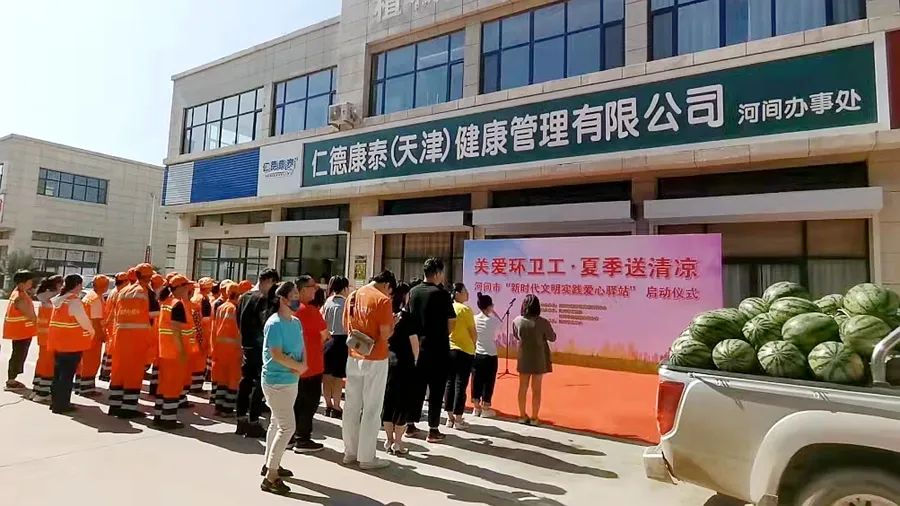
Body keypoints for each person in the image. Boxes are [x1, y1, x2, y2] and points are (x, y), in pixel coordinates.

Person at [342, 270, 396, 470]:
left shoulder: (353, 295)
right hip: (376, 358)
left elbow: (345, 325)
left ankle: (350, 452)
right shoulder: (382, 300)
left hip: (354, 354)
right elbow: (385, 334)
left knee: (351, 406)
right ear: (387, 285)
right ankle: (366, 457)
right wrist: (393, 324)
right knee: (372, 408)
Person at [260, 281, 307, 495]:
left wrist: (301, 366)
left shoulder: (295, 322)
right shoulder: (274, 323)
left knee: (276, 422)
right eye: (294, 294)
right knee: (287, 427)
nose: (297, 297)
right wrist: (297, 367)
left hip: (290, 380)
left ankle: (270, 463)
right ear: (282, 298)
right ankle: (271, 476)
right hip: (276, 381)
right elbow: (276, 354)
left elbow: (301, 347)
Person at [406, 258, 455, 443]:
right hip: (438, 348)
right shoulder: (441, 294)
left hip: (417, 347)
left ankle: (410, 424)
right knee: (436, 389)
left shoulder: (413, 292)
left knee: (416, 387)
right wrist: (442, 334)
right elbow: (452, 322)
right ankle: (433, 429)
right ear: (437, 273)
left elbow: (408, 317)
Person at [109, 263, 159, 418]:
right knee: (134, 372)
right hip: (138, 337)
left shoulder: (123, 291)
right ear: (149, 277)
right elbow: (154, 314)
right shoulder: (146, 292)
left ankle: (114, 405)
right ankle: (128, 409)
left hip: (120, 336)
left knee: (118, 371)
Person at [236, 268, 281, 438]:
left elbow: (238, 320)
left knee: (245, 381)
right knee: (259, 383)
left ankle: (241, 419)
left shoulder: (244, 297)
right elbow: (266, 322)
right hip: (260, 346)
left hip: (246, 344)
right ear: (269, 281)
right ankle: (253, 421)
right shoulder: (263, 299)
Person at [289, 275, 327, 453]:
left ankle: (289, 437)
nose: (316, 289)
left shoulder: (290, 309)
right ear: (303, 290)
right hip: (311, 365)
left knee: (294, 402)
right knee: (308, 403)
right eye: (313, 286)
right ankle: (302, 439)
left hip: (292, 365)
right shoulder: (310, 311)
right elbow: (325, 334)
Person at [47, 274, 95, 414]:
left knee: (58, 374)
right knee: (67, 376)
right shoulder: (73, 301)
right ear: (77, 285)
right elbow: (84, 321)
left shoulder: (59, 300)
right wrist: (91, 332)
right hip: (71, 344)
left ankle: (55, 402)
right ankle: (62, 404)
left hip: (57, 342)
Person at [154, 275, 196, 430]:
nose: (188, 289)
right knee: (173, 385)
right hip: (175, 352)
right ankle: (168, 419)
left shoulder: (167, 302)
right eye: (186, 286)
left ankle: (159, 415)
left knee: (164, 384)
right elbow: (176, 330)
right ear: (179, 288)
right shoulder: (177, 304)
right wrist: (182, 351)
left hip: (166, 351)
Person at [382, 282, 418, 456]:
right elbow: (414, 343)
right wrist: (416, 360)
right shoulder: (407, 317)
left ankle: (388, 440)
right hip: (405, 362)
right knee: (402, 403)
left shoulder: (387, 314)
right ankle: (398, 442)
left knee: (388, 402)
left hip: (387, 361)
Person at [513, 294, 557, 425]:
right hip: (539, 358)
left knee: (522, 387)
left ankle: (522, 415)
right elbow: (552, 337)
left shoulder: (517, 321)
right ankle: (534, 417)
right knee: (536, 389)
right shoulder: (543, 322)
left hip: (524, 357)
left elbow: (516, 335)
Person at [445, 283, 476, 429]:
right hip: (464, 350)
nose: (467, 294)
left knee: (450, 383)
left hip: (450, 349)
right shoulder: (465, 309)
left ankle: (449, 418)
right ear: (457, 293)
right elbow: (472, 332)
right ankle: (458, 418)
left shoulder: (448, 307)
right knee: (460, 384)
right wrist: (474, 344)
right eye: (465, 291)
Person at [75, 275, 109, 397]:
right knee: (91, 362)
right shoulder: (95, 299)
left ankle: (79, 385)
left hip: (85, 333)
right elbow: (96, 321)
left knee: (83, 361)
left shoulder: (90, 296)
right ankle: (86, 389)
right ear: (104, 286)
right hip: (93, 335)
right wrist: (102, 335)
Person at [3, 270, 38, 391]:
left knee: (18, 354)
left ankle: (12, 379)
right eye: (29, 281)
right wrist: (38, 323)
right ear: (22, 283)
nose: (31, 284)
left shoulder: (18, 293)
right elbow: (30, 315)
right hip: (21, 332)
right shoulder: (20, 297)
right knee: (18, 355)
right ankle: (11, 381)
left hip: (20, 331)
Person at [31, 275, 64, 403]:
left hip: (42, 336)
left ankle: (37, 388)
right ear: (57, 285)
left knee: (42, 362)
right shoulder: (53, 299)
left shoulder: (43, 297)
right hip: (50, 336)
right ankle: (43, 393)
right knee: (49, 364)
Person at [211, 282, 242, 415]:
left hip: (220, 348)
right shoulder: (235, 309)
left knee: (222, 379)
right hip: (233, 349)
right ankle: (227, 409)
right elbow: (238, 331)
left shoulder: (221, 307)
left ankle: (218, 406)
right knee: (233, 379)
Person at [321, 275, 349, 418]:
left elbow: (322, 320)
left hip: (327, 341)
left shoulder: (327, 302)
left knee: (326, 376)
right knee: (338, 377)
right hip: (341, 341)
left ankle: (328, 405)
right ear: (345, 288)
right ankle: (337, 406)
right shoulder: (347, 303)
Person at [471, 292, 501, 418]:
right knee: (489, 381)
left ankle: (476, 407)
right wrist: (492, 311)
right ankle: (485, 407)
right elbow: (500, 327)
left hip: (477, 353)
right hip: (490, 354)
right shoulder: (493, 321)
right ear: (489, 306)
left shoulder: (474, 318)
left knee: (476, 380)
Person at [99, 272, 129, 382]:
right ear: (125, 281)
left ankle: (104, 373)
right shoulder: (120, 293)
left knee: (108, 351)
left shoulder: (113, 291)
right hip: (114, 325)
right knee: (112, 352)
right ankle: (107, 374)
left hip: (109, 325)